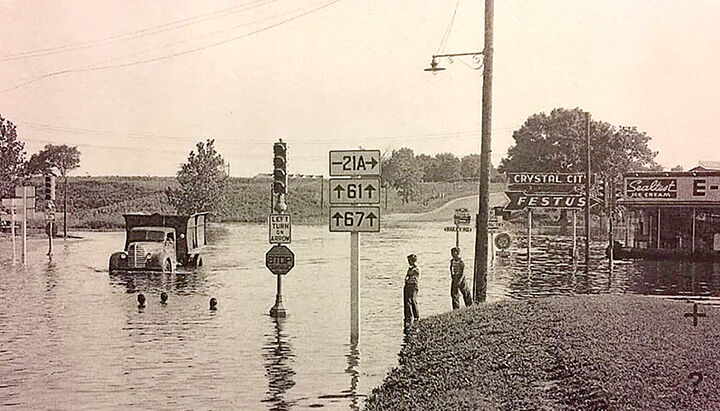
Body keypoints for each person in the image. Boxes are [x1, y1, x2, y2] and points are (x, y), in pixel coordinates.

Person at [403, 254, 420, 330]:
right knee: (407, 301)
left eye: (409, 260)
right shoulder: (410, 269)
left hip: (413, 285)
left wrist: (408, 276)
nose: (408, 262)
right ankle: (409, 316)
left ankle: (416, 316)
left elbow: (410, 275)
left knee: (413, 300)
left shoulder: (415, 269)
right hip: (408, 285)